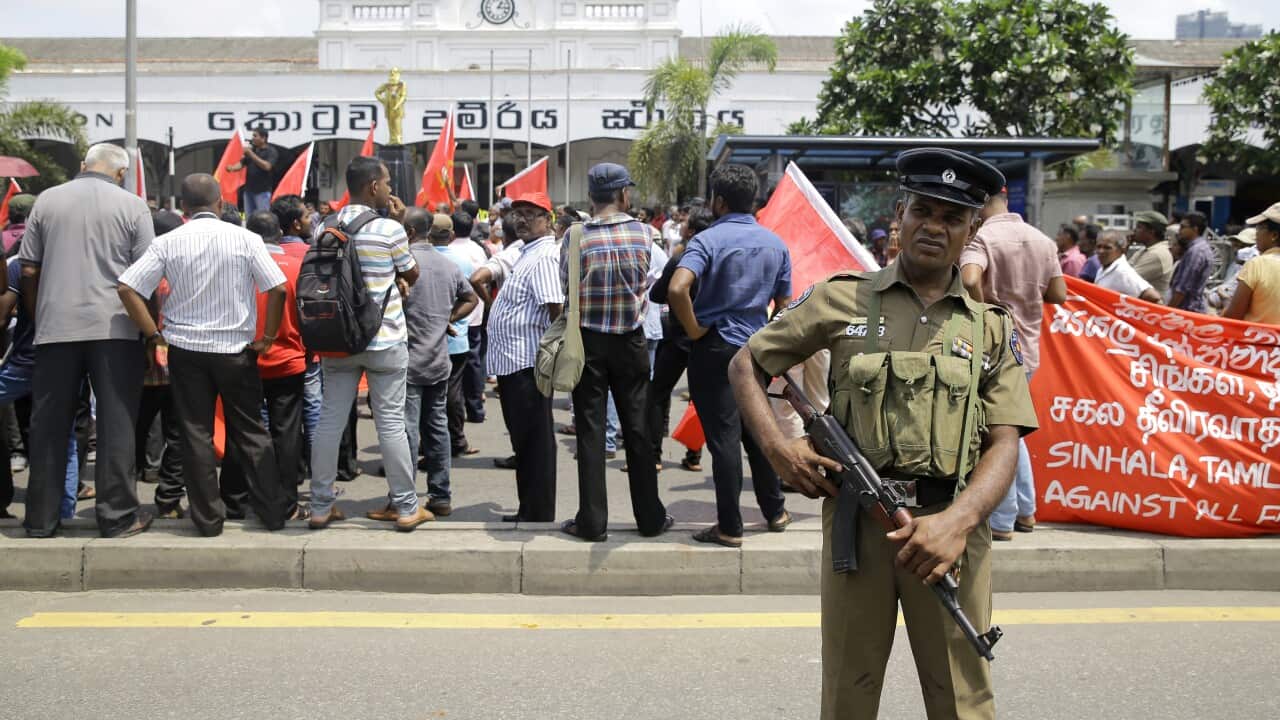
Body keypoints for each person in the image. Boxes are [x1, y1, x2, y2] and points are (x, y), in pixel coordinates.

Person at [732, 147, 1036, 719]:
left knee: (962, 700)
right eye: (924, 210)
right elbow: (747, 363)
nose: (934, 226)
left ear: (970, 230)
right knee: (849, 691)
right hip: (860, 530)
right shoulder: (844, 299)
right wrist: (778, 449)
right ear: (902, 215)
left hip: (950, 531)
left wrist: (957, 523)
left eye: (952, 217)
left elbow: (1005, 443)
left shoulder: (990, 327)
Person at [117, 174, 291, 536]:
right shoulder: (245, 238)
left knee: (194, 433)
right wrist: (269, 336)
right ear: (221, 204)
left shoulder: (168, 242)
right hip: (236, 349)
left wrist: (153, 334)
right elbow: (277, 288)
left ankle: (208, 519)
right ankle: (273, 513)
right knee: (251, 431)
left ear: (183, 208)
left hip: (186, 350)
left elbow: (127, 287)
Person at [19, 143, 155, 538]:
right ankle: (117, 518)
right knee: (116, 425)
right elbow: (145, 277)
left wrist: (39, 312)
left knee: (48, 425)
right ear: (120, 173)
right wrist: (150, 333)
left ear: (83, 166)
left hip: (55, 329)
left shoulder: (46, 200)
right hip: (115, 329)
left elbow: (29, 270)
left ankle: (40, 520)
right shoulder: (132, 206)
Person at [667, 164, 792, 547]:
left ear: (717, 201)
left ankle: (729, 526)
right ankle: (775, 510)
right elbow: (786, 306)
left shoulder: (707, 241)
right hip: (756, 350)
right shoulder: (776, 243)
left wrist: (693, 329)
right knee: (756, 432)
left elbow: (676, 289)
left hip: (714, 347)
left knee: (723, 439)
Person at [307, 156, 429, 531]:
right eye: (388, 183)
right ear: (374, 186)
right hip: (385, 339)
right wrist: (397, 224)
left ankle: (321, 505)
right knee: (391, 423)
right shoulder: (387, 229)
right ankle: (407, 507)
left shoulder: (323, 226)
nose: (391, 189)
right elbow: (412, 271)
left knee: (330, 419)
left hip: (338, 338)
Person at [560, 163, 672, 542]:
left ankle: (591, 522)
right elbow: (655, 284)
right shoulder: (645, 234)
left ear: (591, 197)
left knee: (590, 431)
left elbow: (566, 287)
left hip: (586, 342)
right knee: (638, 430)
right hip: (632, 341)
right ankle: (650, 518)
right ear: (624, 195)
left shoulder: (574, 237)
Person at [959, 187, 1065, 541]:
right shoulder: (1042, 240)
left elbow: (970, 278)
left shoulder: (983, 238)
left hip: (994, 349)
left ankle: (1003, 519)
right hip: (1028, 351)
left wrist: (985, 305)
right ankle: (1026, 511)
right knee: (1012, 428)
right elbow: (1059, 294)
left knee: (1001, 432)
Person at [217, 210, 311, 521]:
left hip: (245, 358)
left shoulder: (237, 268)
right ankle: (285, 502)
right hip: (289, 360)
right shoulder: (298, 267)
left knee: (239, 430)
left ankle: (235, 500)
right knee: (287, 434)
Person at [386, 208, 478, 520]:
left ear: (409, 232)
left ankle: (403, 498)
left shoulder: (401, 266)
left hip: (408, 361)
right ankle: (440, 496)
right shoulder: (448, 265)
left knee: (408, 430)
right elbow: (472, 299)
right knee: (436, 429)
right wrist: (446, 320)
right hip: (439, 360)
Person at [486, 191, 563, 522]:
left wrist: (551, 357)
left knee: (534, 443)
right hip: (513, 362)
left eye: (531, 213)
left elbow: (555, 309)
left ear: (548, 220)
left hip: (528, 363)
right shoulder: (525, 252)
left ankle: (536, 511)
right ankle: (530, 507)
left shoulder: (544, 255)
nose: (522, 219)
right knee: (526, 441)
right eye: (518, 213)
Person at [647, 207, 713, 472]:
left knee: (656, 395)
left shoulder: (682, 259)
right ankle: (694, 455)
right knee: (699, 400)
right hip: (707, 340)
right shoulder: (718, 259)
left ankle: (653, 456)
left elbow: (658, 295)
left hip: (677, 338)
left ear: (691, 230)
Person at [133, 210, 187, 519]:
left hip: (145, 364)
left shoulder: (143, 268)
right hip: (180, 363)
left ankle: (125, 495)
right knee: (178, 436)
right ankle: (168, 500)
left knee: (133, 432)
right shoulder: (185, 267)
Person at [428, 212, 481, 458]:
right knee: (452, 392)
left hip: (423, 338)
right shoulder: (462, 261)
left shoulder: (416, 259)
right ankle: (457, 441)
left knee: (424, 394)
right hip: (455, 337)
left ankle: (428, 442)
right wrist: (450, 319)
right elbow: (471, 297)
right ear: (450, 235)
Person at [449, 208, 489, 422]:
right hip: (475, 313)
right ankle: (475, 408)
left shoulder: (448, 251)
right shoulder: (479, 250)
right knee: (474, 360)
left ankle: (465, 407)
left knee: (457, 365)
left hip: (455, 315)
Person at [1224, 203, 1280, 325]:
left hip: (1259, 341)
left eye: (1259, 228)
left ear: (1274, 235)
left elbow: (1234, 315)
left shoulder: (1257, 264)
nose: (1256, 234)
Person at [1094, 230, 1162, 303]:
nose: (1101, 251)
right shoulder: (1104, 268)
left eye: (1107, 248)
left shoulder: (1122, 272)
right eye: (1098, 247)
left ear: (1122, 250)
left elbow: (1154, 297)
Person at [224, 127, 279, 215]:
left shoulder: (271, 151)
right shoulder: (252, 150)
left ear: (263, 138)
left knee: (262, 217)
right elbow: (242, 163)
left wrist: (251, 154)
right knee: (249, 217)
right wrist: (232, 168)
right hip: (249, 191)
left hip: (262, 192)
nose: (252, 138)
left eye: (255, 136)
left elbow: (267, 166)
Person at [1169, 211, 1215, 313]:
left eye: (1183, 227)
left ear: (1195, 229)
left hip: (1188, 309)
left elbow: (1183, 288)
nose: (1179, 231)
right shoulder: (1199, 248)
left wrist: (1168, 310)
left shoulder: (1196, 252)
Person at [1128, 210, 1174, 300]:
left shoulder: (1157, 254)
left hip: (1150, 308)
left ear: (1151, 231)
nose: (1134, 230)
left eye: (1139, 227)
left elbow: (1128, 280)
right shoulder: (1144, 250)